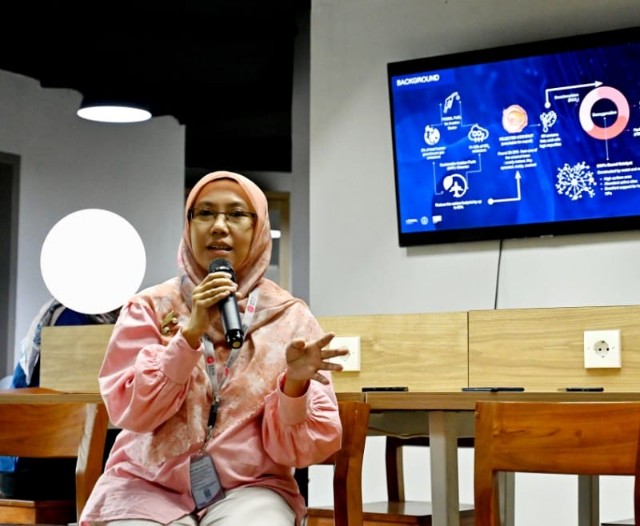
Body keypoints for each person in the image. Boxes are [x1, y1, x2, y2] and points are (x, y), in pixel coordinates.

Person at [80, 171, 348, 526]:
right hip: (146, 485)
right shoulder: (149, 307)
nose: (219, 227)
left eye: (236, 214)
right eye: (205, 213)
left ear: (258, 228)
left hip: (251, 488)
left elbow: (303, 449)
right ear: (189, 225)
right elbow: (130, 413)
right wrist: (189, 336)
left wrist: (295, 385)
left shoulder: (290, 317)